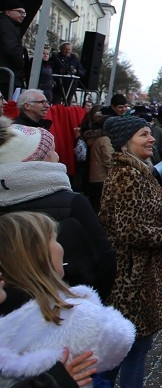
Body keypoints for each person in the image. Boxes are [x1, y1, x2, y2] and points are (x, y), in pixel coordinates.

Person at [0, 211, 136, 388]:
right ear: (41, 255)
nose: (61, 246)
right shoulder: (71, 315)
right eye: (55, 239)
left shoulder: (8, 315)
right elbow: (120, 340)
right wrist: (87, 298)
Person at [97, 116, 162, 388]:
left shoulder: (140, 172)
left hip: (143, 270)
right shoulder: (127, 176)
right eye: (144, 135)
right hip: (132, 274)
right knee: (127, 344)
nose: (151, 139)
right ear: (126, 141)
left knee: (136, 344)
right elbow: (127, 230)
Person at [0, 118, 116, 300]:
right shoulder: (73, 203)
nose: (58, 156)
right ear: (38, 162)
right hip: (68, 305)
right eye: (51, 151)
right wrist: (91, 302)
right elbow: (105, 258)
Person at [0, 0, 27, 94]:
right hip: (6, 77)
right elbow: (11, 49)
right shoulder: (6, 25)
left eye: (24, 13)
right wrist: (21, 63)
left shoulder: (10, 25)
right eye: (20, 12)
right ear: (7, 12)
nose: (23, 15)